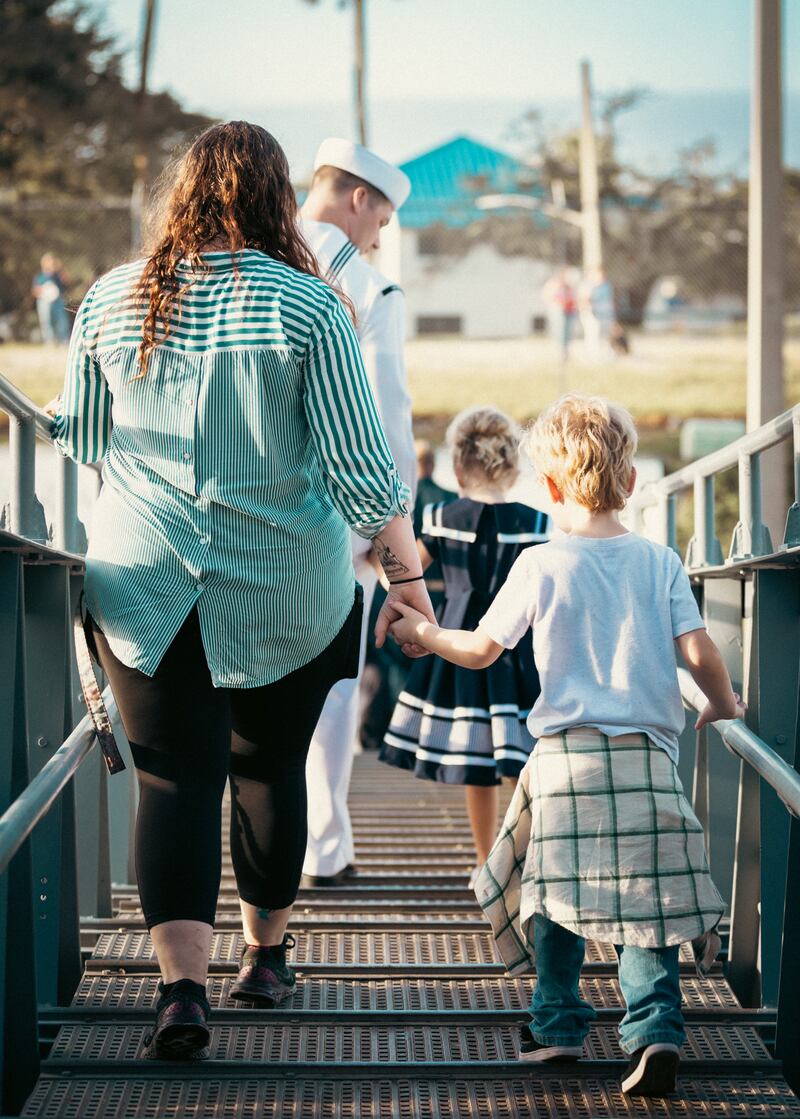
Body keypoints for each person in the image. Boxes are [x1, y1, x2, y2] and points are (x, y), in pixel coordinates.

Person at [51, 121, 433, 1061]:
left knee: (171, 779)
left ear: (181, 195)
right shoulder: (310, 305)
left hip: (145, 586)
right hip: (287, 590)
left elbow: (87, 438)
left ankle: (181, 992)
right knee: (267, 771)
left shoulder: (111, 298)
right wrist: (406, 575)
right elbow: (358, 465)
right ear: (276, 198)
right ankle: (265, 956)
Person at [385, 393, 743, 1098]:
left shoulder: (542, 564)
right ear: (633, 481)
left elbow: (484, 649)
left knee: (550, 895)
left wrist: (424, 635)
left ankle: (556, 1027)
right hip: (645, 754)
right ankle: (656, 1028)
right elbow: (698, 650)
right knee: (651, 902)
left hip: (563, 758)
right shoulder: (659, 559)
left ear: (546, 487)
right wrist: (724, 703)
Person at [299, 137, 417, 887]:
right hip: (336, 525)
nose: (380, 236)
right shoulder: (369, 289)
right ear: (359, 200)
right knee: (334, 686)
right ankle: (323, 844)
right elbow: (386, 420)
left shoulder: (245, 260)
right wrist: (391, 535)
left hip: (229, 512)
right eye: (382, 219)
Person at [380, 407, 549, 882]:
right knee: (520, 758)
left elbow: (401, 573)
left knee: (476, 764)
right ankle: (524, 859)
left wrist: (410, 619)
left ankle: (483, 862)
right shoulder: (536, 523)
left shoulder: (440, 516)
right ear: (512, 468)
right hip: (516, 648)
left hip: (458, 644)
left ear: (457, 467)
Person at [360, 440, 456, 751]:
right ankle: (432, 736)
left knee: (394, 667)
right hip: (445, 598)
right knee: (434, 668)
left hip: (398, 592)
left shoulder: (402, 503)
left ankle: (392, 734)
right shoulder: (452, 501)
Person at [32, 253, 70, 344]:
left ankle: (63, 340)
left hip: (58, 300)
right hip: (44, 301)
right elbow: (34, 291)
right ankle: (49, 340)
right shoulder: (40, 277)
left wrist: (60, 269)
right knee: (46, 321)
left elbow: (67, 280)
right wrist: (42, 291)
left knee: (61, 321)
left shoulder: (57, 275)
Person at [542, 269, 577, 363]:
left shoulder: (570, 286)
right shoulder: (553, 284)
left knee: (568, 332)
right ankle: (560, 352)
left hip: (570, 311)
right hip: (559, 311)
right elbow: (548, 297)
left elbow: (575, 297)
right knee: (560, 331)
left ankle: (566, 352)